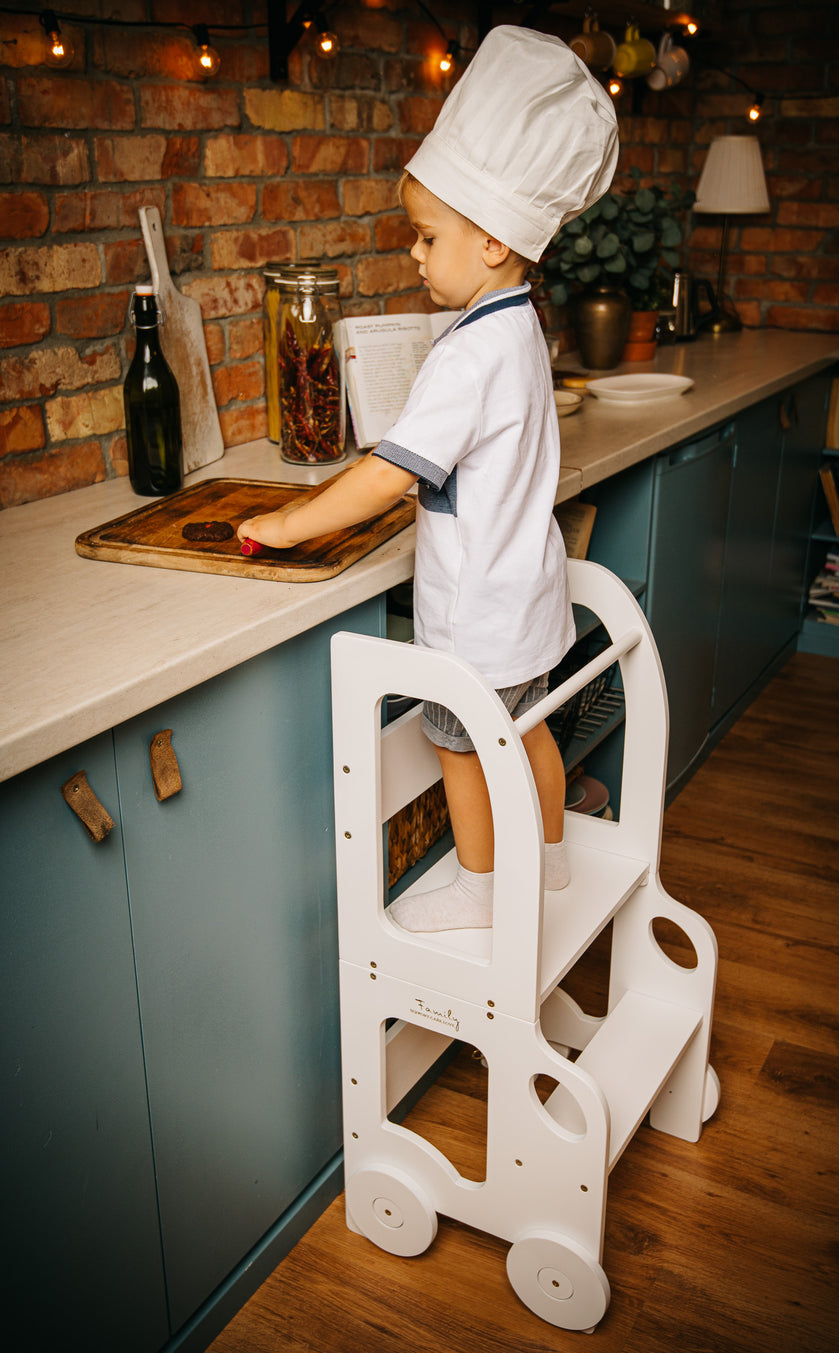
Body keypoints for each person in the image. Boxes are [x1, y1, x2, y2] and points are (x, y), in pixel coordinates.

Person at [239, 25, 618, 933]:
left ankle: (480, 890)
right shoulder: (523, 325)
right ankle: (554, 860)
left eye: (426, 235)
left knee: (458, 747)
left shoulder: (464, 356)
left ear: (491, 241)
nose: (414, 253)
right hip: (530, 604)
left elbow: (382, 478)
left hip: (478, 621)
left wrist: (291, 523)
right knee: (531, 736)